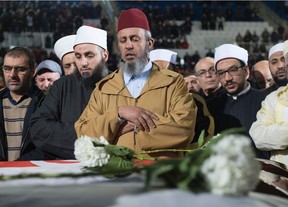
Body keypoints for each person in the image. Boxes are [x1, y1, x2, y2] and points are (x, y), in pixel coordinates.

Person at [75, 8, 197, 159]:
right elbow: (84, 132)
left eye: (135, 39)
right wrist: (118, 114)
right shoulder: (104, 88)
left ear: (149, 43)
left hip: (158, 173)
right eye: (123, 40)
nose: (128, 45)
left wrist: (123, 131)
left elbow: (183, 128)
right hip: (116, 173)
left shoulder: (173, 82)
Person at [29, 25, 109, 159]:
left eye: (89, 55)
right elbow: (39, 128)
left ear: (105, 55)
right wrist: (88, 137)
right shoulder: (62, 85)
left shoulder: (119, 84)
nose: (83, 63)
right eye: (78, 56)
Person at [207, 44, 269, 159]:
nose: (227, 78)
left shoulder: (266, 100)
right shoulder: (211, 106)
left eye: (233, 70)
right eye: (221, 73)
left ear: (246, 71)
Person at [0, 47, 46, 161]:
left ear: (32, 72)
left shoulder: (45, 102)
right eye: (7, 68)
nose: (12, 75)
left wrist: (18, 165)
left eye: (20, 69)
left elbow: (47, 146)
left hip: (30, 173)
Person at [249, 40, 288, 165]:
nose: (281, 66)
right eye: (274, 62)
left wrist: (277, 131)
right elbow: (259, 136)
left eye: (283, 59)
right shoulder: (273, 98)